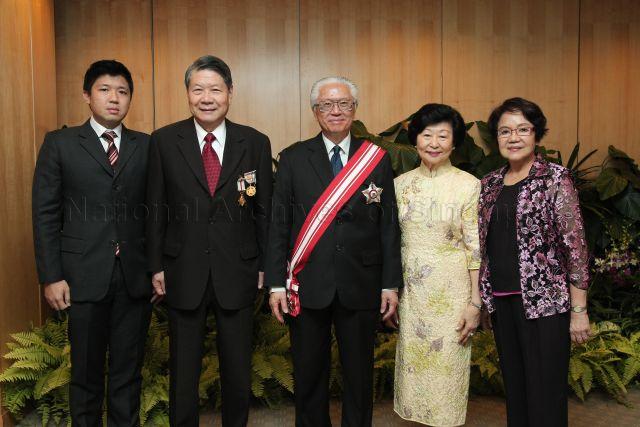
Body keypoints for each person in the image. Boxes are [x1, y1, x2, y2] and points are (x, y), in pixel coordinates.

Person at [265, 76, 403, 426]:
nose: (336, 111)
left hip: (362, 282)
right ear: (315, 112)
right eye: (327, 105)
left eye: (344, 104)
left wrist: (390, 284)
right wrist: (277, 285)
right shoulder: (294, 158)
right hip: (308, 283)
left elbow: (388, 226)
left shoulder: (377, 159)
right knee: (309, 372)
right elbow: (278, 226)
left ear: (355, 109)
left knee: (359, 375)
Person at [146, 55, 272, 427]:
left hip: (239, 268)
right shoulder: (165, 141)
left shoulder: (255, 142)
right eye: (198, 89)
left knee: (237, 366)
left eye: (215, 89)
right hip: (182, 268)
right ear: (187, 93)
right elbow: (155, 209)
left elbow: (264, 211)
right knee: (184, 368)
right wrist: (156, 265)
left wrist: (265, 263)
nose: (207, 97)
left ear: (230, 93)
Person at [32, 60, 151, 426]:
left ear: (130, 98)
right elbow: (46, 214)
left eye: (122, 91)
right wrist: (51, 276)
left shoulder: (147, 146)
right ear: (87, 95)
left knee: (127, 373)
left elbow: (159, 214)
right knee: (84, 373)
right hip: (81, 277)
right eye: (104, 90)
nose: (114, 98)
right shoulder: (60, 143)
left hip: (134, 277)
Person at [479, 97, 591, 426]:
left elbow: (576, 246)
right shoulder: (489, 184)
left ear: (536, 135)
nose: (513, 138)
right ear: (496, 138)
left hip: (547, 305)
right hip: (502, 302)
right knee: (515, 391)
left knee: (546, 393)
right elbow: (485, 245)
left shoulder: (556, 179)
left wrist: (579, 310)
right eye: (505, 131)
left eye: (522, 129)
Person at [390, 103, 481, 426]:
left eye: (443, 136)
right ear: (415, 139)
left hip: (452, 295)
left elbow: (475, 248)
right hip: (413, 296)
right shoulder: (400, 185)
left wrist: (474, 302)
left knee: (447, 375)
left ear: (454, 142)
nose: (434, 143)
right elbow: (391, 243)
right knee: (414, 379)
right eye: (427, 135)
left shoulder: (468, 184)